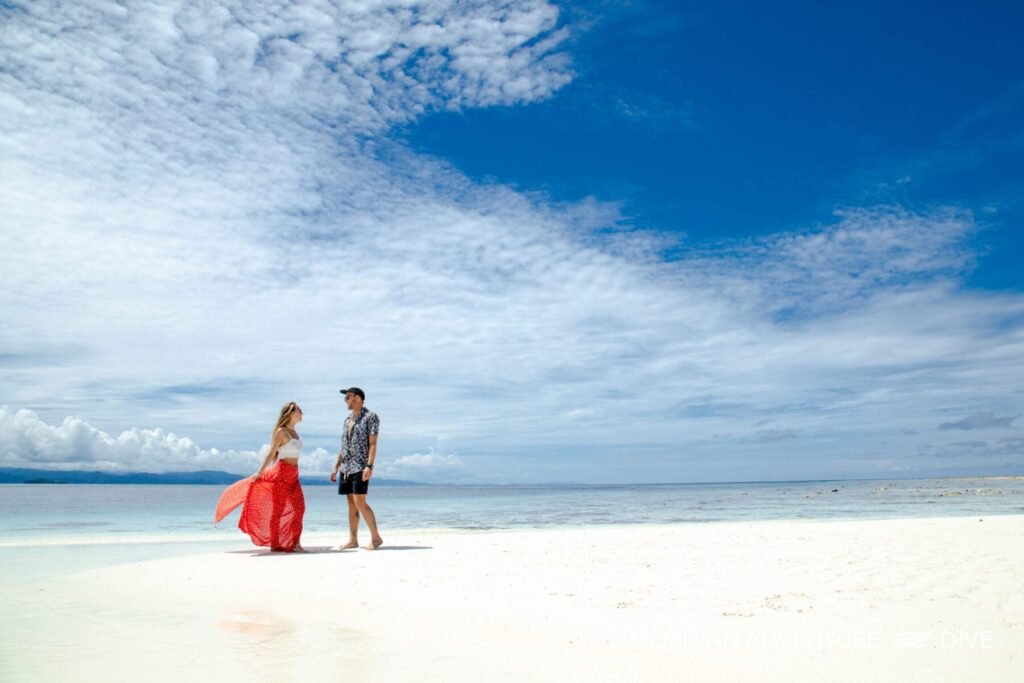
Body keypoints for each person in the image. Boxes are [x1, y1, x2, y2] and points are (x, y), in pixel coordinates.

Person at [214, 402, 307, 553]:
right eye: (298, 410)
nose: (301, 413)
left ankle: (296, 543)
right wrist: (260, 471)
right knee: (278, 510)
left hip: (294, 475)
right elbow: (271, 453)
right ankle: (276, 544)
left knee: (299, 508)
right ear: (289, 413)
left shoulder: (295, 433)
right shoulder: (281, 432)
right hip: (281, 474)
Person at [330, 387, 383, 550]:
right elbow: (343, 445)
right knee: (351, 503)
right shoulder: (347, 420)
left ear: (358, 398)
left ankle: (376, 538)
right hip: (346, 468)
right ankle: (353, 539)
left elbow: (373, 444)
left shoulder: (370, 417)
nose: (346, 400)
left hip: (360, 466)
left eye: (348, 397)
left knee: (360, 502)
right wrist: (336, 466)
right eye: (345, 398)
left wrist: (369, 465)